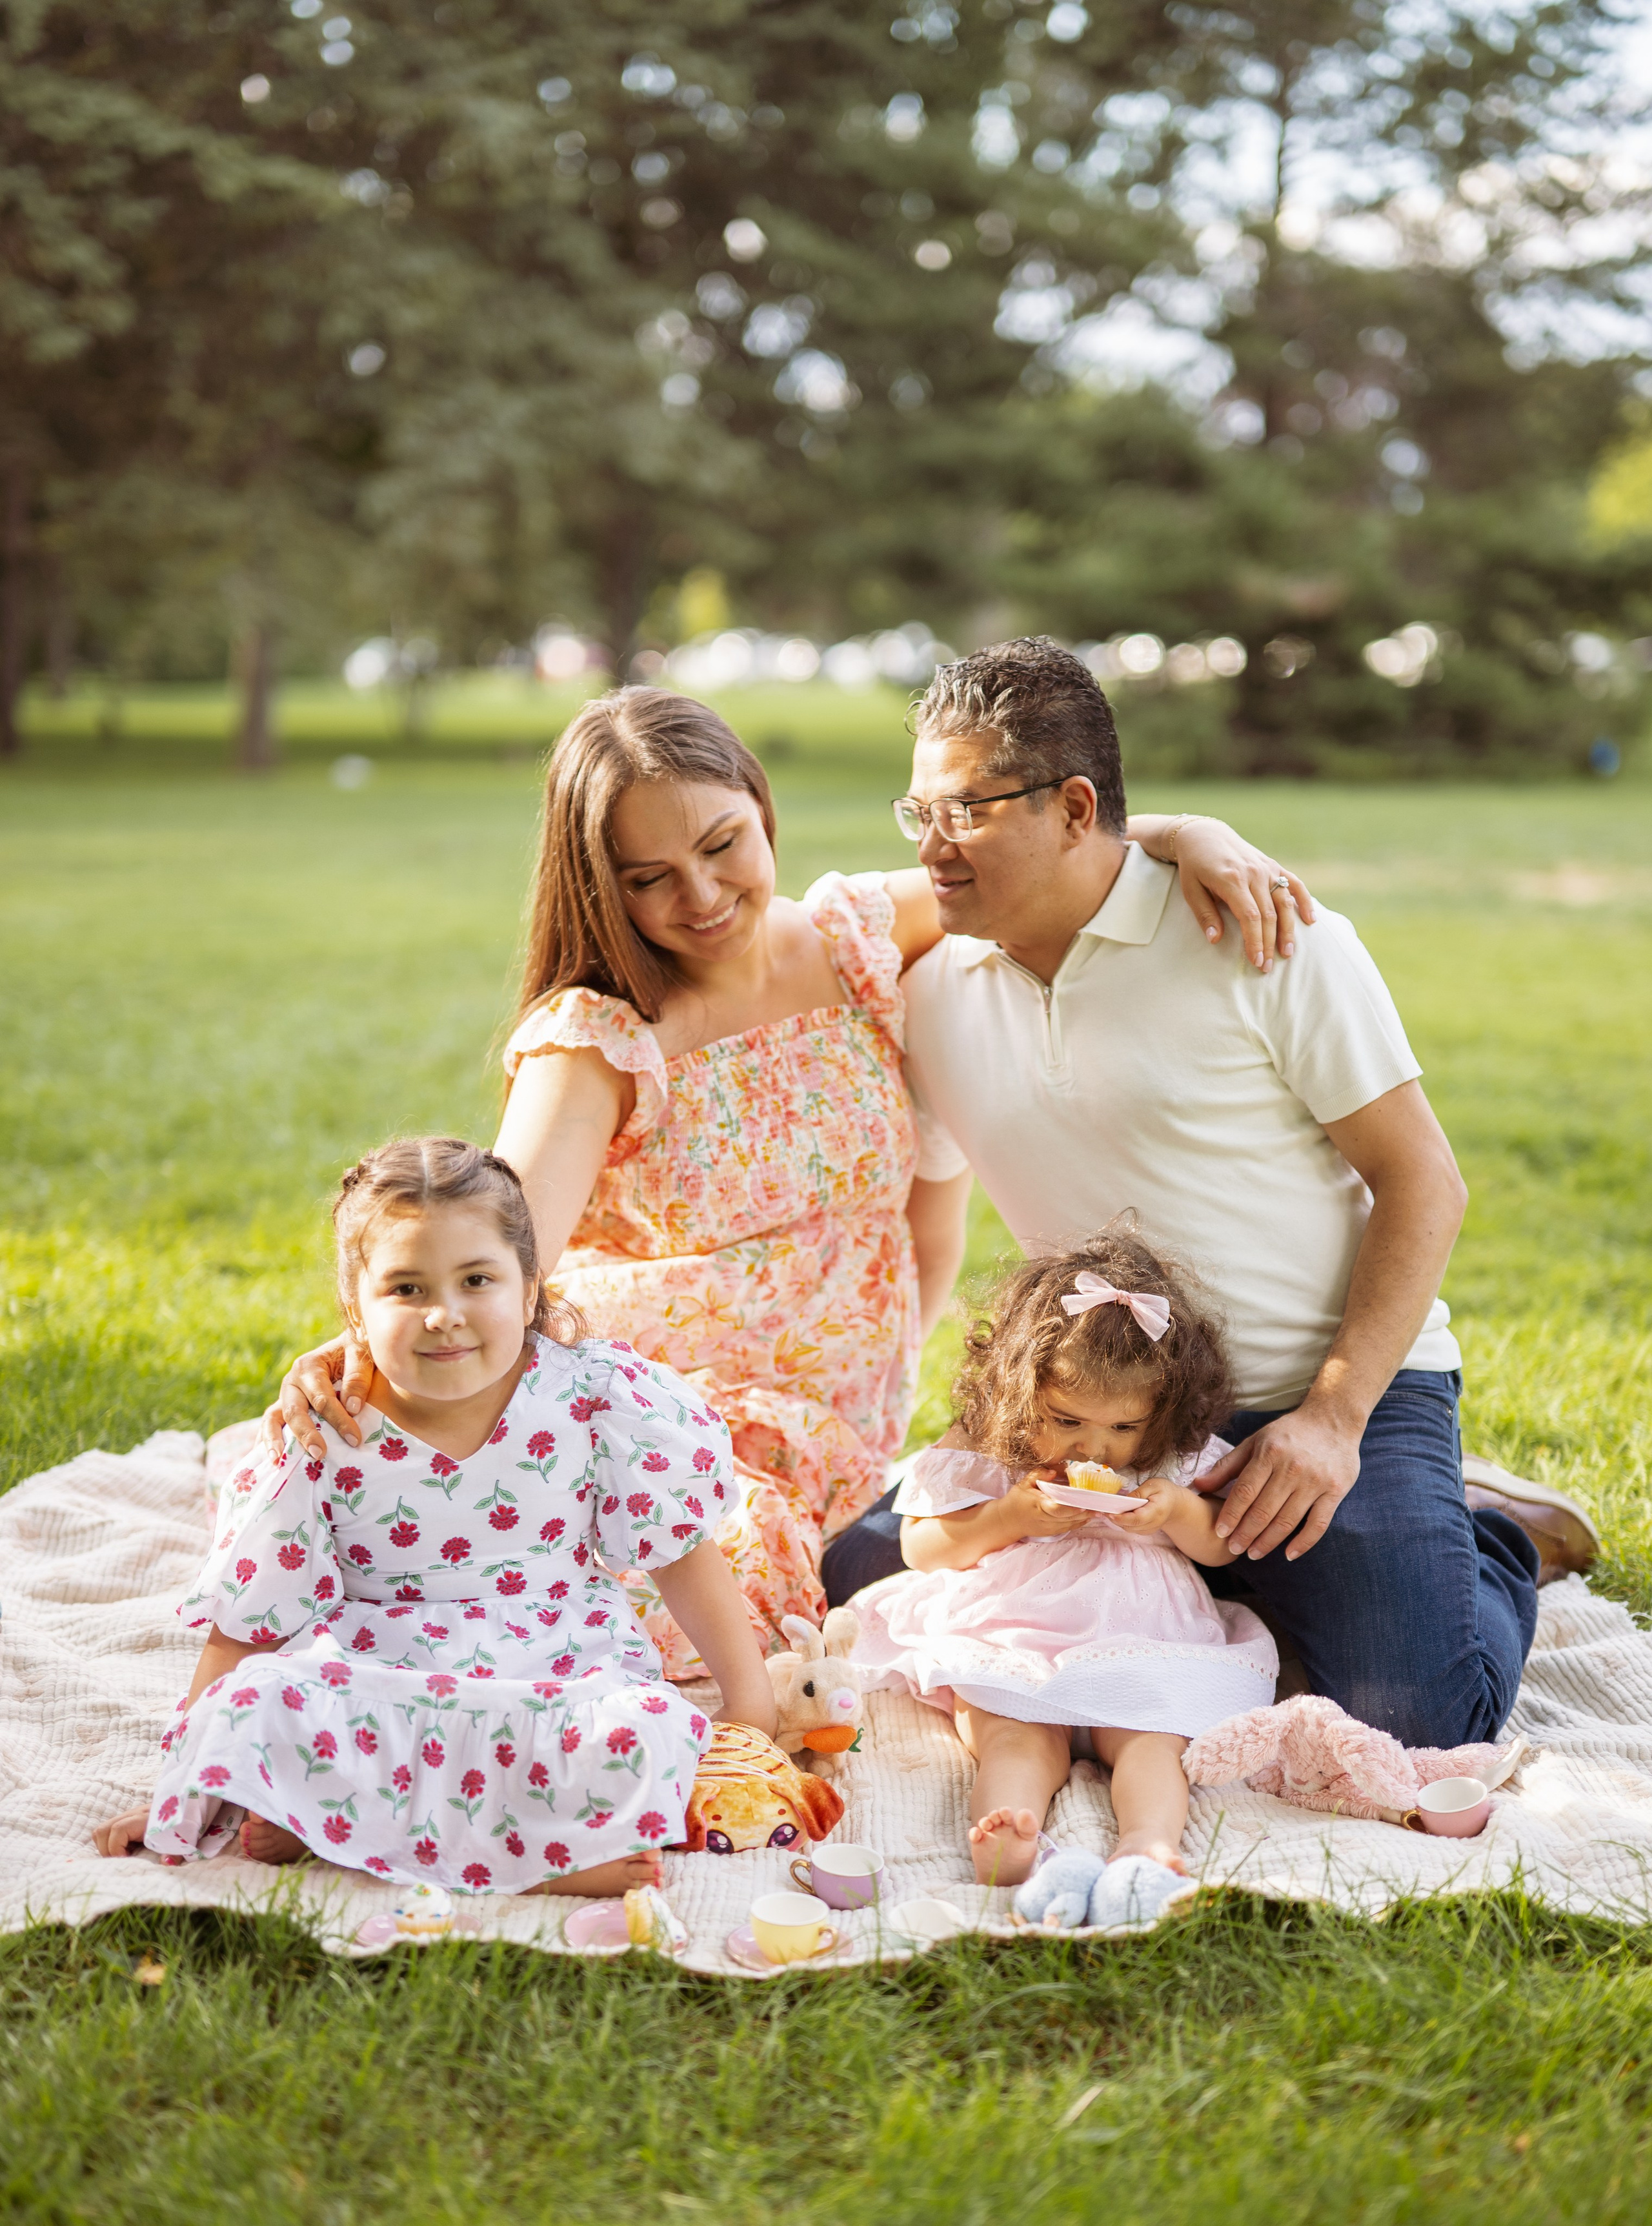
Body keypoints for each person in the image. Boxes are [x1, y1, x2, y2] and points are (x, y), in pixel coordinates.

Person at [265, 687, 1311, 1672]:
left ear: (764, 812)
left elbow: (1038, 848)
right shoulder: (596, 1040)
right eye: (649, 876)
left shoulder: (854, 939)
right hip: (666, 1411)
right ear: (603, 886)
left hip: (838, 1418)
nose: (703, 894)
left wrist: (1189, 835)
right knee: (684, 1613)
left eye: (723, 845)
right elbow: (504, 1242)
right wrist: (374, 1353)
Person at [824, 637, 1598, 1749]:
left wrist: (1333, 1421)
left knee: (1415, 1713)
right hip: (1096, 1416)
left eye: (966, 812)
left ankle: (1486, 1529)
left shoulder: (1265, 932)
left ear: (1075, 806)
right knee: (854, 1567)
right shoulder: (933, 988)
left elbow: (1423, 1177)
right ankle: (1283, 1571)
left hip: (1315, 1389)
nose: (931, 848)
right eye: (918, 812)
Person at [96, 1137, 775, 1896]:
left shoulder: (595, 1398)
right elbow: (250, 1620)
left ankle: (338, 1822)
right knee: (259, 1703)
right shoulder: (326, 1429)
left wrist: (748, 1708)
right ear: (355, 1308)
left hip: (555, 1663)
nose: (444, 1314)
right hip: (384, 1669)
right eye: (407, 1288)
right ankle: (547, 1847)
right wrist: (180, 1776)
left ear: (527, 1289)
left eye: (475, 1279)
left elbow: (679, 1551)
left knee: (640, 1726)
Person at [849, 1230, 1277, 1894]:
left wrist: (1178, 1514)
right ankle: (1008, 1834)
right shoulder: (991, 1446)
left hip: (1140, 1639)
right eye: (1068, 1419)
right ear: (1020, 1390)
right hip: (1016, 1634)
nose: (1097, 1448)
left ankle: (1148, 1841)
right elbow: (922, 1546)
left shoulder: (1173, 1455)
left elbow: (1224, 1544)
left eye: (1123, 1428)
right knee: (1014, 1736)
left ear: (1159, 1414)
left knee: (1151, 1740)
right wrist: (1009, 1517)